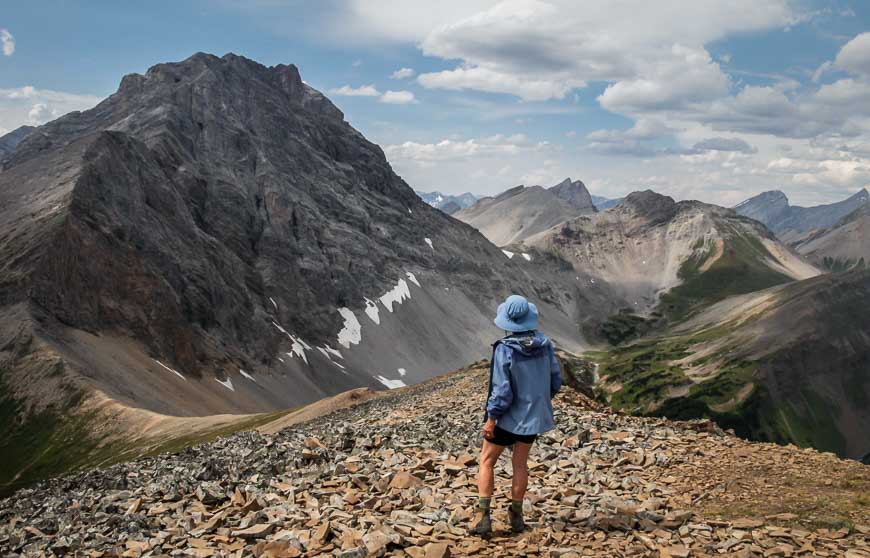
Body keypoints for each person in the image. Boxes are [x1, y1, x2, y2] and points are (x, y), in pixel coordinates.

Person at [469, 294, 562, 536]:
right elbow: (555, 381)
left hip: (507, 418)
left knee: (487, 461)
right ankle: (517, 517)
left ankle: (483, 517)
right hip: (533, 418)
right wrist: (538, 403)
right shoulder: (545, 344)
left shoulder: (505, 349)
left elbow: (501, 390)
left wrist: (491, 419)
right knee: (520, 464)